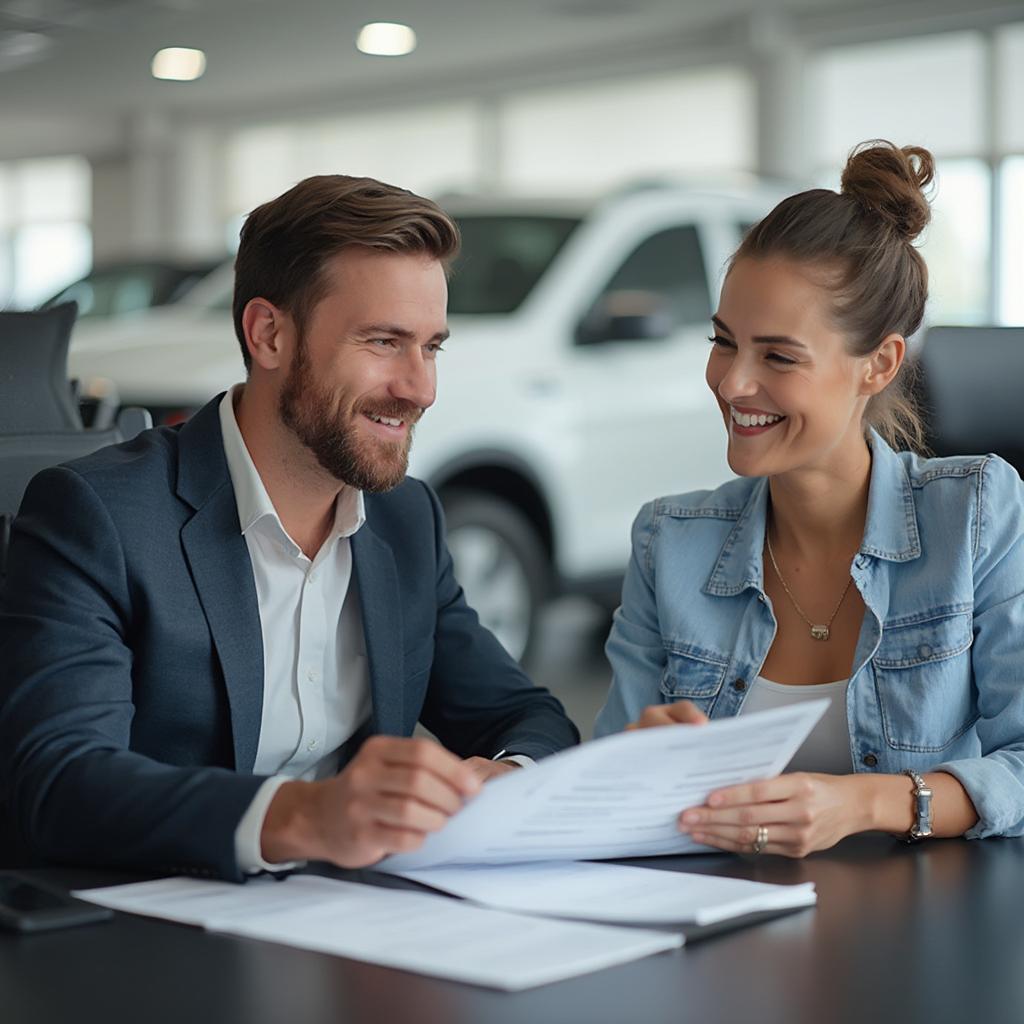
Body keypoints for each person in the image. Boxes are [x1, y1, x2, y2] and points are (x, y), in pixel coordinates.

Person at [0, 175, 579, 880]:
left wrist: (507, 777)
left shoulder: (406, 519)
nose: (420, 387)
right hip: (159, 936)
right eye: (383, 342)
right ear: (269, 334)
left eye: (432, 347)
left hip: (354, 928)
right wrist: (306, 815)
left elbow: (527, 715)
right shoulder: (99, 515)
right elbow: (60, 783)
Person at [595, 141, 1024, 857]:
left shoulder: (976, 514)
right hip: (718, 939)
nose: (732, 383)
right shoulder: (667, 543)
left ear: (879, 364)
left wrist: (866, 803)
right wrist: (629, 768)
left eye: (778, 356)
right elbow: (601, 792)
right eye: (723, 342)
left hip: (923, 937)